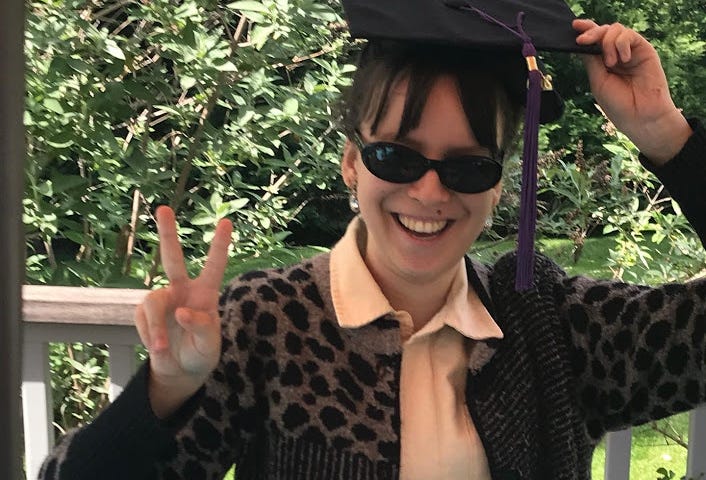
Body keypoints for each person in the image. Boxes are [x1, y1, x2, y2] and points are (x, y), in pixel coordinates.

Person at [39, 1, 706, 479]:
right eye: (397, 157)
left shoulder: (552, 326)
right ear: (352, 163)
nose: (430, 193)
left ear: (499, 185)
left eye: (469, 166)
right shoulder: (265, 325)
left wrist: (667, 137)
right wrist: (164, 390)